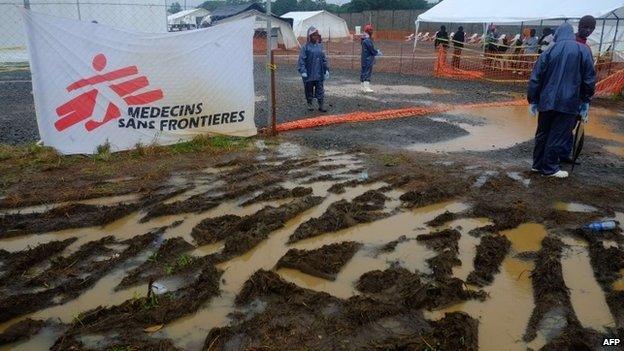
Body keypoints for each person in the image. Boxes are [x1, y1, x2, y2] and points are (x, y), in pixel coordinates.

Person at [527, 23, 596, 178]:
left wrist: (533, 99)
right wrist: (586, 100)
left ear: (558, 35)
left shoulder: (548, 51)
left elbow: (536, 77)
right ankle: (550, 168)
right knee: (558, 135)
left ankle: (537, 165)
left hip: (546, 101)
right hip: (569, 102)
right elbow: (589, 78)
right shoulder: (583, 50)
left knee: (542, 133)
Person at [298, 26, 329, 112]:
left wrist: (326, 70)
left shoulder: (320, 46)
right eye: (313, 35)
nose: (315, 37)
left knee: (320, 88)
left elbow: (324, 59)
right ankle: (309, 103)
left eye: (317, 35)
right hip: (309, 73)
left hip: (319, 72)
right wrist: (303, 71)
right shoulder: (305, 47)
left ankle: (321, 104)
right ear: (309, 36)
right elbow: (302, 60)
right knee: (309, 88)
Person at [360, 24, 381, 93]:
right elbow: (371, 50)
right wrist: (377, 52)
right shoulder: (367, 40)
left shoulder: (363, 39)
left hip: (364, 59)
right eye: (371, 30)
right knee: (367, 72)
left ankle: (362, 87)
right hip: (368, 59)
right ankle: (366, 88)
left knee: (363, 72)